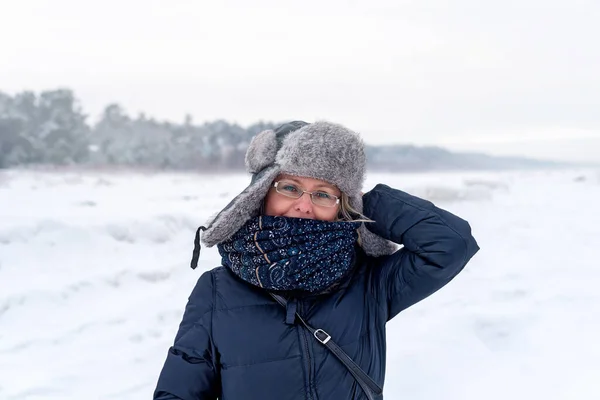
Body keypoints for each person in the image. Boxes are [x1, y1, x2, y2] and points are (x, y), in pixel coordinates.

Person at [154, 121, 479, 400]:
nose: (304, 206)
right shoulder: (216, 290)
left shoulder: (368, 282)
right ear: (262, 194)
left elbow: (451, 243)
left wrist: (364, 200)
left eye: (323, 194)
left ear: (342, 206)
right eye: (290, 187)